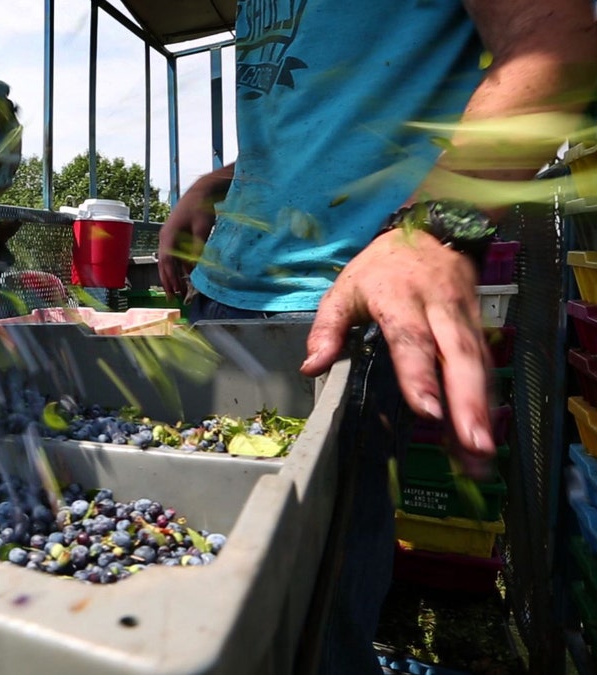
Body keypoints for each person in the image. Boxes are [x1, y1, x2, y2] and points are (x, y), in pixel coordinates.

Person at [157, 2, 597, 673]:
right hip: (226, 295)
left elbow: (559, 43)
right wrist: (221, 185)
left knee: (308, 621)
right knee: (206, 569)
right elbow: (319, 111)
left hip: (336, 311)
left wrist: (434, 226)